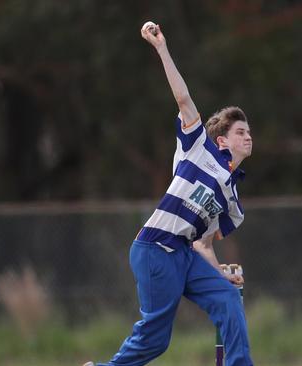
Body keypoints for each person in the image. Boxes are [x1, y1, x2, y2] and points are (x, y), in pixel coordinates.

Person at [84, 21, 254, 366]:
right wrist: (162, 48)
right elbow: (182, 98)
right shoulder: (199, 148)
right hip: (155, 248)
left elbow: (202, 244)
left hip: (183, 254)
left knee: (227, 299)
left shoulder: (232, 202)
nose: (248, 136)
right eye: (240, 131)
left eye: (249, 131)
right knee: (156, 339)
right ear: (222, 140)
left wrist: (219, 272)